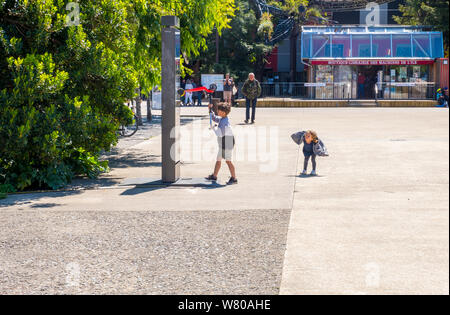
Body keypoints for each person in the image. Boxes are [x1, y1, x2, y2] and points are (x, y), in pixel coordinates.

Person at [205, 103, 238, 185]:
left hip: (228, 143)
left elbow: (220, 134)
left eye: (218, 111)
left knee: (228, 161)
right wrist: (210, 110)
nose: (217, 112)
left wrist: (214, 128)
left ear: (223, 112)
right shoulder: (223, 118)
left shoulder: (224, 122)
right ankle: (214, 175)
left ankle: (234, 178)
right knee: (218, 159)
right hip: (224, 142)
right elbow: (215, 118)